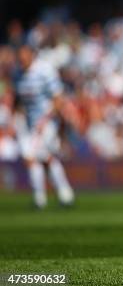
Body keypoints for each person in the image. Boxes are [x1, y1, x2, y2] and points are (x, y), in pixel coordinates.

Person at [14, 44, 75, 209]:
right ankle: (63, 194)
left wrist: (45, 120)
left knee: (36, 157)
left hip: (47, 121)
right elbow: (18, 100)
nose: (21, 59)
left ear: (31, 55)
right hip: (28, 122)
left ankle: (41, 198)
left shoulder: (44, 71)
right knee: (40, 158)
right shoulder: (18, 73)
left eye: (24, 55)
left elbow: (58, 98)